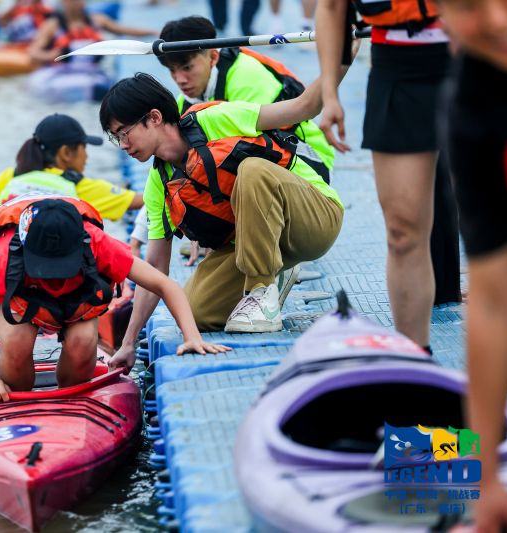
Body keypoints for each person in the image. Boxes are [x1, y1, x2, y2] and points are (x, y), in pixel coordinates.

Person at [99, 72, 349, 370]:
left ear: (153, 117)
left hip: (314, 219)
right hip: (252, 241)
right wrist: (127, 344)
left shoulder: (216, 119)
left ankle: (260, 290)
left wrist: (341, 57)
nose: (123, 144)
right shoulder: (158, 184)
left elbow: (303, 107)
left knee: (253, 170)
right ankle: (273, 274)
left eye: (123, 132)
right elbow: (154, 269)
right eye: (116, 138)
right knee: (195, 311)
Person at [0, 196, 231, 400]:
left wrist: (191, 336)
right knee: (18, 340)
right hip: (21, 303)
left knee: (83, 341)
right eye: (46, 267)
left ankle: (69, 398)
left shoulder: (98, 244)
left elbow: (165, 284)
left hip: (75, 304)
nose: (53, 276)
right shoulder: (6, 259)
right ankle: (17, 397)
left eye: (61, 266)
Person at [315, 0, 455, 353]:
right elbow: (332, 7)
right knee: (403, 231)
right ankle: (415, 362)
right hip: (398, 65)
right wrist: (330, 93)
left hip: (481, 56)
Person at [157, 16, 337, 265]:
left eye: (186, 67)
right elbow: (168, 173)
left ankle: (270, 254)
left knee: (239, 160)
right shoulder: (184, 102)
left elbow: (253, 152)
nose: (180, 79)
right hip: (260, 168)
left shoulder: (247, 77)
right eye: (172, 70)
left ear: (212, 56)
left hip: (307, 163)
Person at [437, 0, 507, 529]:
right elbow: (492, 299)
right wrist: (485, 488)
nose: (497, 21)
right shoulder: (474, 104)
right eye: (467, 5)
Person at [0, 114, 143, 282]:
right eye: (83, 148)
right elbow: (139, 201)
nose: (86, 156)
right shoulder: (80, 186)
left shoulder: (11, 175)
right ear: (65, 153)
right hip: (44, 266)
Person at [25, 0, 156, 102]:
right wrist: (52, 55)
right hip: (61, 74)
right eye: (70, 1)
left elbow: (125, 30)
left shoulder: (96, 20)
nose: (75, 4)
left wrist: (153, 32)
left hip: (91, 73)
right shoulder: (52, 25)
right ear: (64, 2)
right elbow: (33, 52)